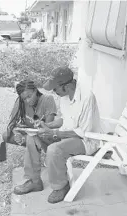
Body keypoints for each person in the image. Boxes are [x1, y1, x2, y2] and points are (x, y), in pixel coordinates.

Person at [13, 66, 108, 204]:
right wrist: (47, 125)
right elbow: (65, 120)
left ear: (67, 86)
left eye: (55, 89)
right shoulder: (65, 95)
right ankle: (34, 181)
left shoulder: (87, 97)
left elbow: (83, 132)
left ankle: (61, 186)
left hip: (86, 140)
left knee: (54, 150)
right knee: (32, 137)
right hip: (68, 134)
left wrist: (54, 133)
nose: (54, 92)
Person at [0, 80, 58, 162]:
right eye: (24, 99)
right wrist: (17, 134)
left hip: (43, 134)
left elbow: (47, 128)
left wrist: (34, 133)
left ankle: (45, 150)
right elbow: (13, 124)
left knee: (43, 136)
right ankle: (33, 145)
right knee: (6, 135)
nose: (28, 101)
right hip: (29, 133)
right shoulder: (20, 102)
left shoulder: (48, 99)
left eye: (29, 96)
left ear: (35, 90)